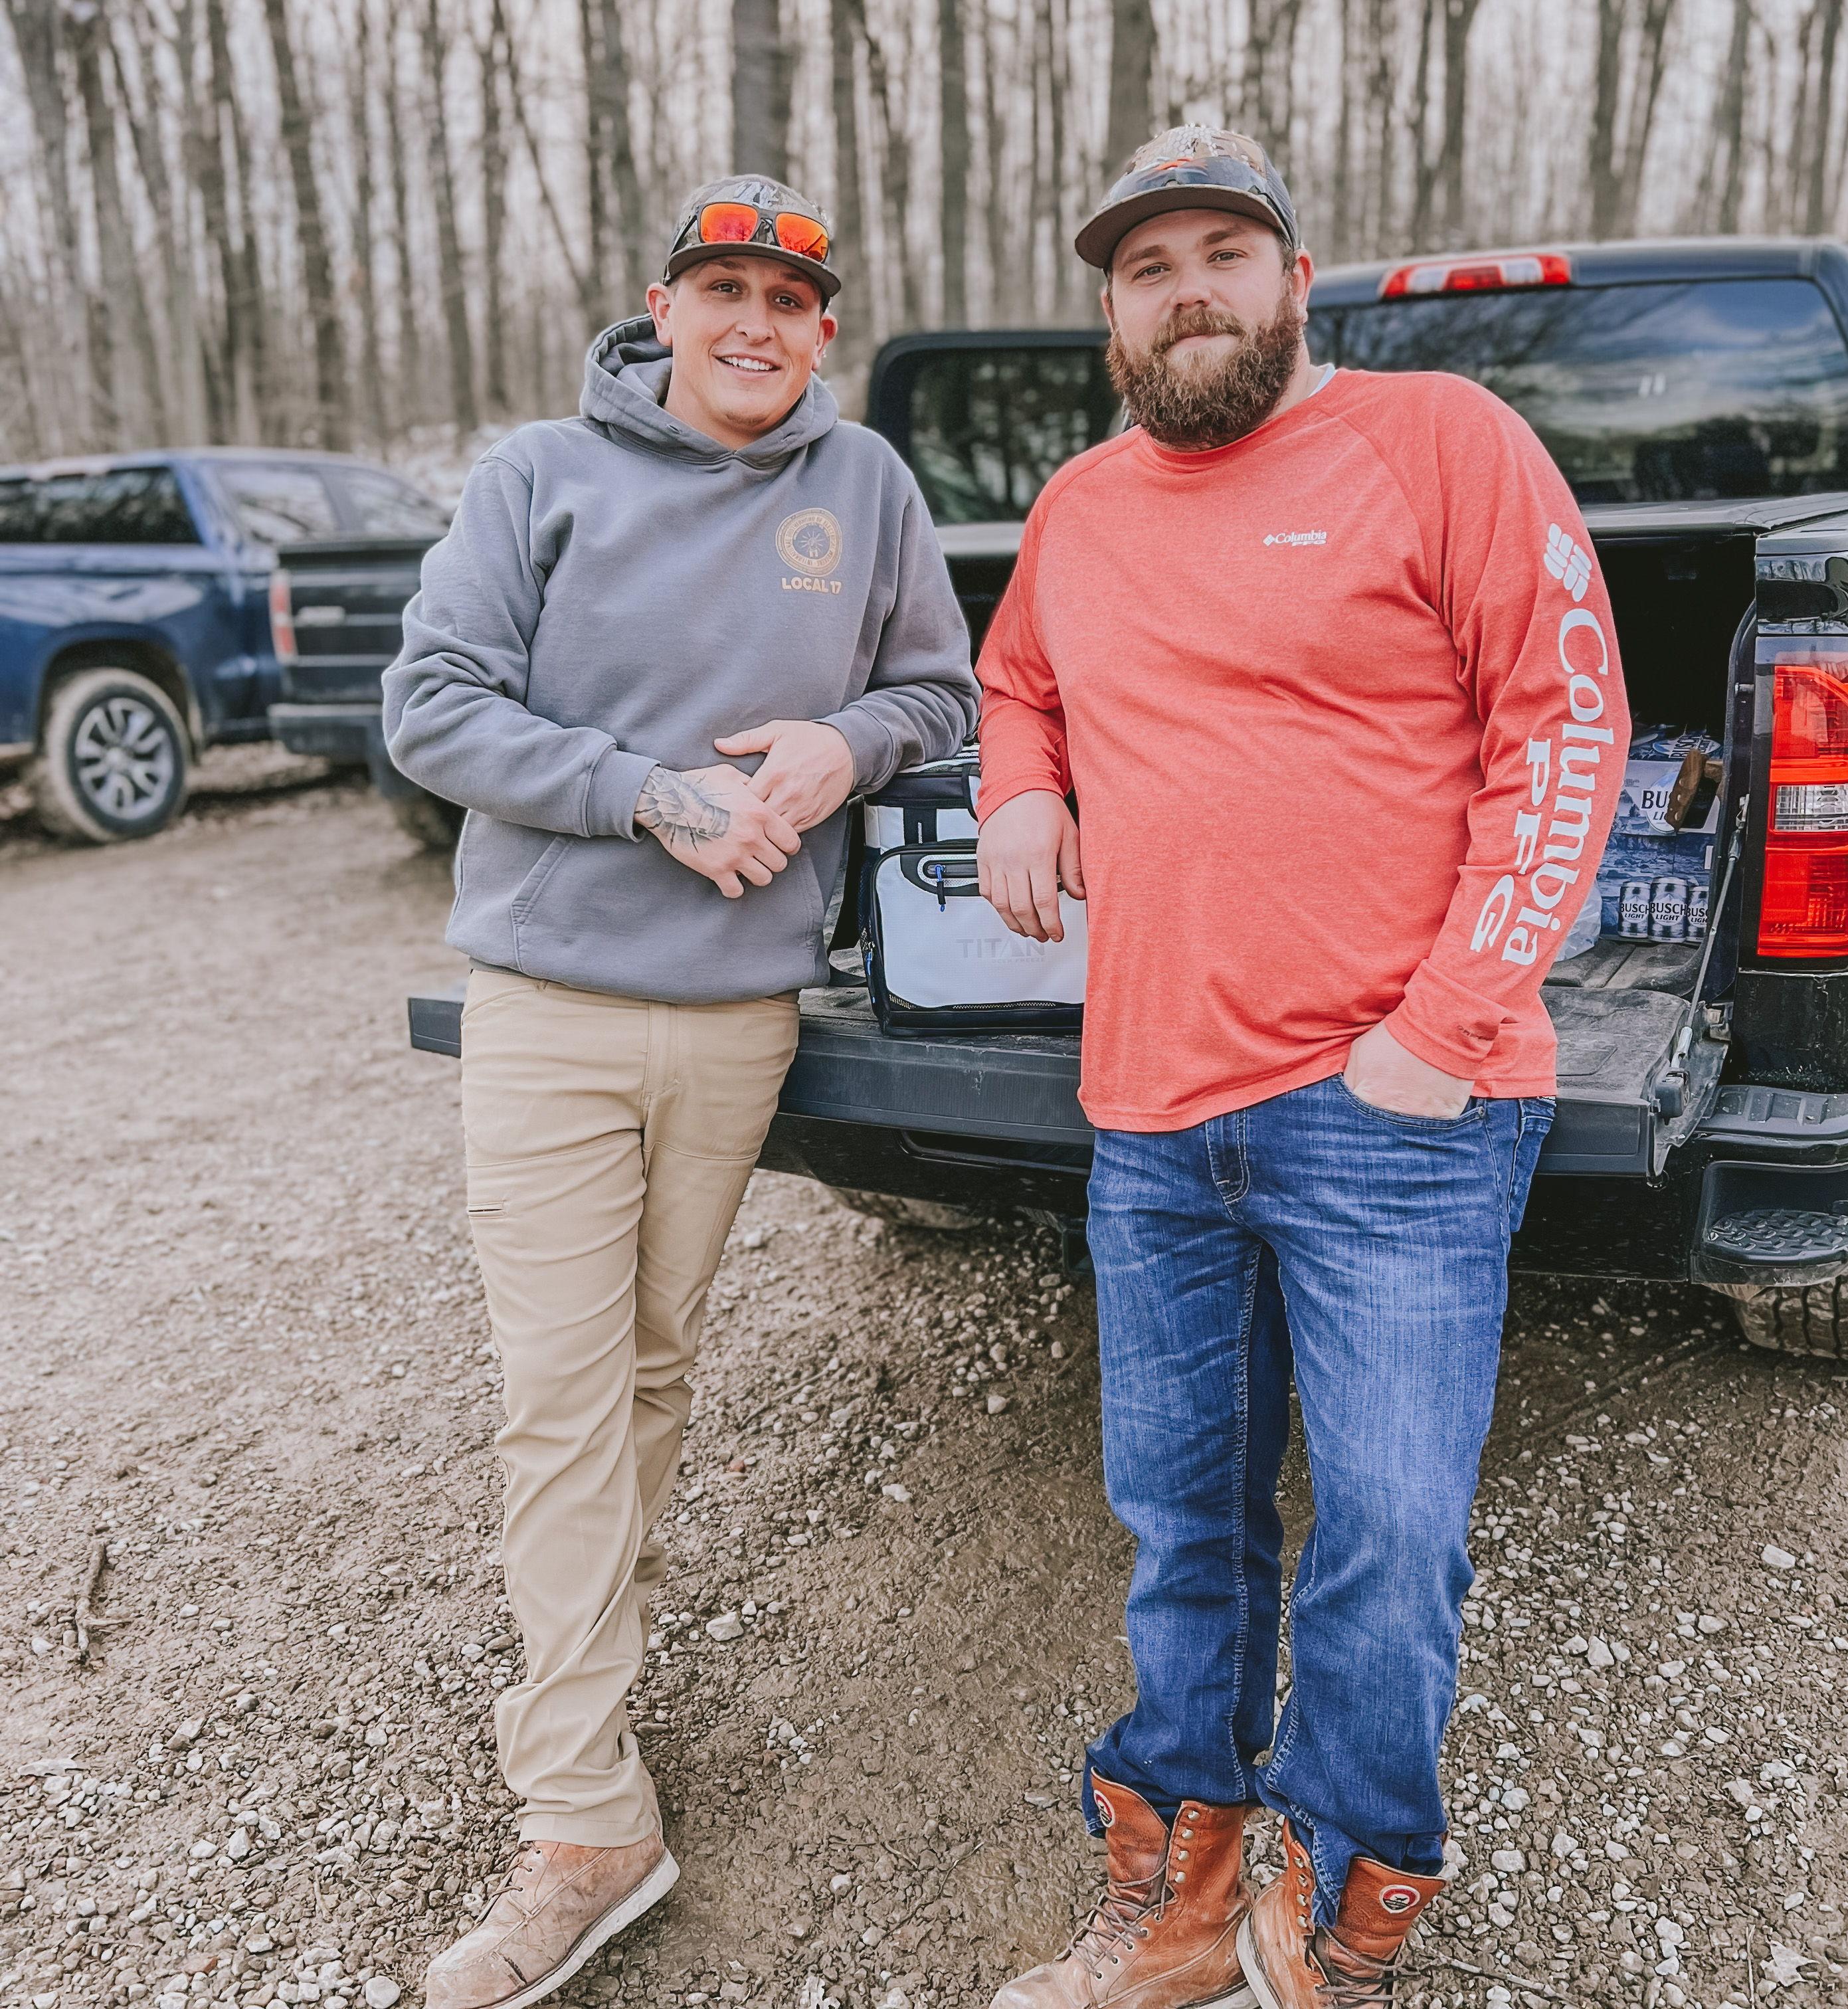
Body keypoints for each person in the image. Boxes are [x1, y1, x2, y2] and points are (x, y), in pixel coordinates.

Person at [975, 127, 1627, 2009]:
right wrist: (1019, 788)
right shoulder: (1079, 507)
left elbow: (1566, 729)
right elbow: (1018, 680)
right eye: (1147, 267)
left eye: (1223, 253)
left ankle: (1344, 1886)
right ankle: (1180, 1889)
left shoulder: (1440, 442)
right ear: (1112, 315)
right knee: (1182, 1522)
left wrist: (1441, 1028)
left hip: (1401, 1108)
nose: (1188, 292)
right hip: (1153, 1112)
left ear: (1295, 279)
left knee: (1390, 1535)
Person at [381, 173, 978, 2009]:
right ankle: (584, 1818)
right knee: (565, 1402)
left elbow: (943, 698)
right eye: (723, 290)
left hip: (740, 1024)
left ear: (824, 329)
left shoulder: (864, 486)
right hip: (551, 1008)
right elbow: (433, 707)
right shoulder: (541, 473)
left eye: (789, 301)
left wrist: (843, 744)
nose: (754, 325)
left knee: (646, 1375)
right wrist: (650, 796)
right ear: (664, 309)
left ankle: (589, 1686)